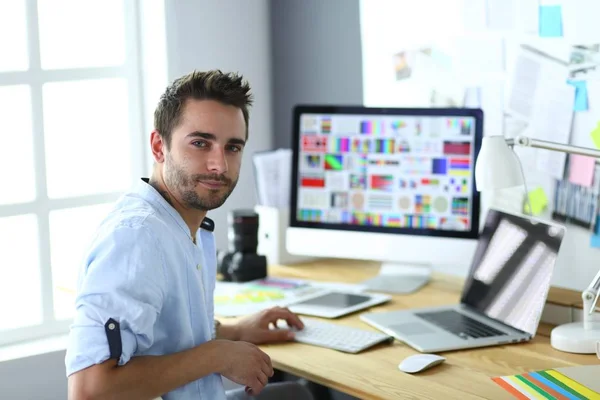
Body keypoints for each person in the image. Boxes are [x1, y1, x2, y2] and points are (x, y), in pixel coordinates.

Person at [65, 70, 314, 400]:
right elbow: (90, 391)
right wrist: (217, 355)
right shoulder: (137, 239)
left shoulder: (184, 226)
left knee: (297, 394)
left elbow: (162, 334)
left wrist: (236, 331)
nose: (219, 165)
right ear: (159, 146)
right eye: (200, 143)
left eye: (232, 147)